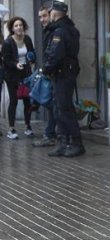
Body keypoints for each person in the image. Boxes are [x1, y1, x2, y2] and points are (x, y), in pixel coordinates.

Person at [43, 0, 84, 157]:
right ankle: (63, 141)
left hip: (62, 73)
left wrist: (46, 69)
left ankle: (75, 142)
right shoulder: (71, 29)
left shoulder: (60, 31)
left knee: (64, 109)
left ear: (54, 13)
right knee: (61, 108)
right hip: (66, 72)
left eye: (50, 12)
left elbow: (55, 54)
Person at [2, 16, 36, 140]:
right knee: (14, 100)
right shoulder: (8, 42)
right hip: (11, 76)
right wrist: (15, 64)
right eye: (16, 25)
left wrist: (32, 60)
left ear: (24, 27)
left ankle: (28, 126)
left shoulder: (27, 39)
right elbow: (6, 60)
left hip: (25, 74)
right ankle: (11, 129)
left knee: (27, 100)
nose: (19, 27)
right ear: (12, 28)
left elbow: (32, 53)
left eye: (20, 25)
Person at [33, 4, 57, 147]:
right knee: (50, 104)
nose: (42, 19)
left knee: (52, 104)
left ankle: (51, 134)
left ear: (50, 15)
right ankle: (51, 133)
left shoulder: (54, 31)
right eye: (40, 17)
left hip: (54, 73)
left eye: (44, 16)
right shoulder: (46, 31)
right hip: (47, 72)